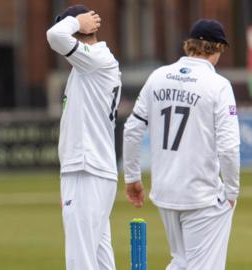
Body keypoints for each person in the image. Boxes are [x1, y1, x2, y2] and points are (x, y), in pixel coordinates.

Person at [123, 19, 239, 270]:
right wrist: (231, 191)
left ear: (190, 45)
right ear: (217, 47)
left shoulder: (158, 76)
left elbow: (132, 129)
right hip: (201, 194)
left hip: (165, 191)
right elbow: (229, 147)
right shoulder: (218, 85)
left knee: (182, 262)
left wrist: (132, 177)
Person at [46, 5, 122, 270]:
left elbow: (55, 36)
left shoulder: (95, 60)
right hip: (90, 170)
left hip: (87, 169)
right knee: (99, 259)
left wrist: (77, 21)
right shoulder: (88, 65)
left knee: (80, 261)